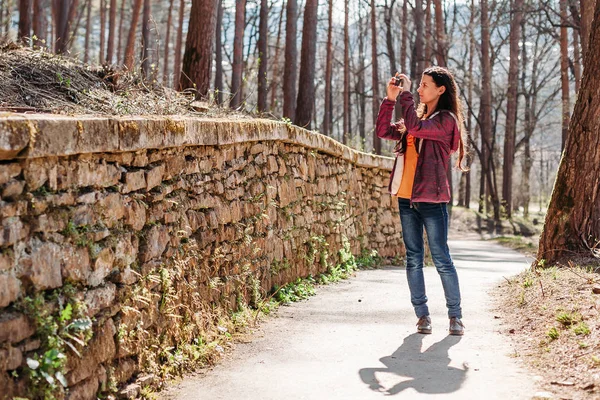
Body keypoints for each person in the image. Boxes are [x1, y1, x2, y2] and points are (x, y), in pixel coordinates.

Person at [375, 66, 468, 336]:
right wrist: (390, 99)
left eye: (425, 85)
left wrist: (404, 96)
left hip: (432, 200)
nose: (419, 89)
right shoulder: (416, 118)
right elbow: (383, 130)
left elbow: (416, 127)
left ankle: (455, 316)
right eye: (419, 85)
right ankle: (423, 316)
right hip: (406, 199)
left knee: (441, 258)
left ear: (441, 89)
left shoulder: (445, 120)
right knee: (413, 258)